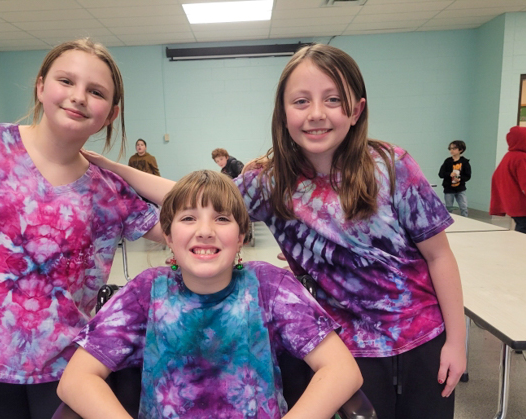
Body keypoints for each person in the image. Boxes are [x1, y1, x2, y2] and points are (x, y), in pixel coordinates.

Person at [82, 43, 466, 419]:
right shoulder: (271, 183)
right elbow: (194, 201)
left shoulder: (390, 165)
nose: (316, 113)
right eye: (301, 102)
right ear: (283, 114)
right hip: (347, 348)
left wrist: (457, 341)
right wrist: (116, 169)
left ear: (357, 109)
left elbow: (439, 255)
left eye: (333, 100)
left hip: (423, 341)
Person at [0, 38, 161, 419]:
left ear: (111, 113)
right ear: (41, 86)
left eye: (96, 91)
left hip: (67, 361)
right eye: (66, 81)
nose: (78, 97)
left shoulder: (109, 190)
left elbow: (193, 218)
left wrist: (120, 169)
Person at [58, 170, 362, 418]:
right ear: (168, 235)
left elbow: (342, 370)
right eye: (188, 218)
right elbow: (76, 380)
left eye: (222, 218)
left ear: (241, 236)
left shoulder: (269, 286)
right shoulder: (147, 292)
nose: (205, 231)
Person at [490, 126, 526, 234]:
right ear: (523, 140)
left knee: (521, 228)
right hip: (523, 205)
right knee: (524, 231)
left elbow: (496, 177)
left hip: (512, 204)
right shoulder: (523, 158)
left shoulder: (509, 156)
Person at [438, 140, 471, 217]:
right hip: (449, 189)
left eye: (454, 149)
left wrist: (460, 179)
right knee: (449, 208)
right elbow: (441, 174)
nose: (451, 150)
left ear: (460, 150)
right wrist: (450, 174)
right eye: (450, 149)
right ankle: (449, 222)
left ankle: (465, 221)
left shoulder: (465, 162)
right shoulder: (447, 161)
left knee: (464, 207)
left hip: (460, 189)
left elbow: (468, 175)